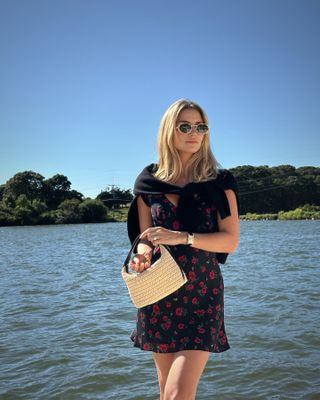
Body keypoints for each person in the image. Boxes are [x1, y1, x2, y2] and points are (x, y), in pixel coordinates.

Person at [126, 99, 240, 400]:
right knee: (166, 391)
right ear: (169, 130)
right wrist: (142, 256)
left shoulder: (220, 182)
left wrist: (182, 237)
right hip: (159, 294)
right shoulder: (148, 185)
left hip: (203, 295)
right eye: (185, 126)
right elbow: (145, 239)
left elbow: (229, 240)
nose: (195, 133)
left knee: (177, 393)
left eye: (201, 127)